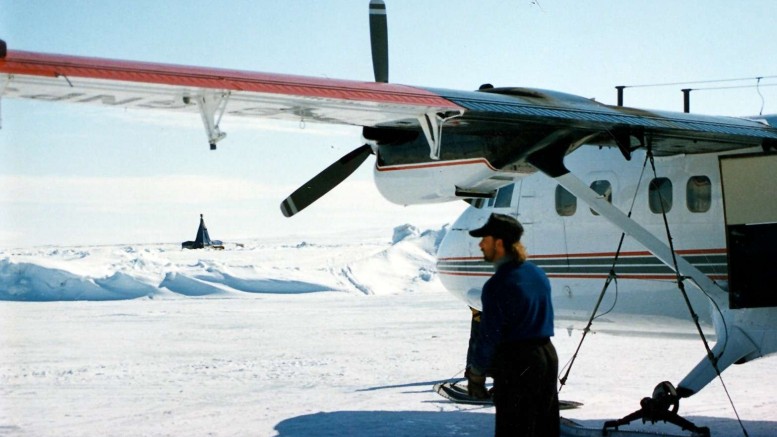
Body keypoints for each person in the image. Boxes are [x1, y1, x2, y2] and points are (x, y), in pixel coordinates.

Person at [465, 213, 560, 437]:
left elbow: (489, 335)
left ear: (499, 243)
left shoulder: (497, 284)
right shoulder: (537, 274)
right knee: (544, 428)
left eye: (484, 239)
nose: (480, 245)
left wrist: (477, 375)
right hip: (546, 356)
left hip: (518, 363)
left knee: (514, 429)